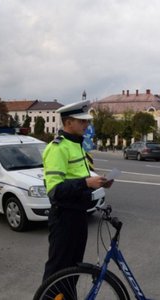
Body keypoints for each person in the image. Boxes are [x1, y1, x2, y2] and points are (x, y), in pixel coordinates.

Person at [42, 101, 112, 282]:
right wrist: (86, 183)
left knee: (73, 270)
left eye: (87, 121)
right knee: (58, 271)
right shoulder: (58, 148)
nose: (86, 125)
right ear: (68, 123)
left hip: (78, 215)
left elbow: (78, 177)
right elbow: (54, 190)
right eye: (82, 122)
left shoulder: (76, 144)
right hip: (64, 217)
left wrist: (99, 182)